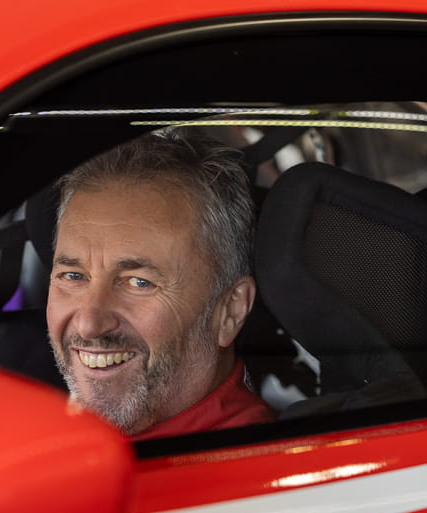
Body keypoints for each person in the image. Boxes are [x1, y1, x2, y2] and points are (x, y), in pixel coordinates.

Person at [46, 129, 274, 438]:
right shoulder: (55, 440)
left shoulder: (239, 471)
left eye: (139, 282)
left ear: (230, 310)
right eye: (73, 276)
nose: (89, 324)